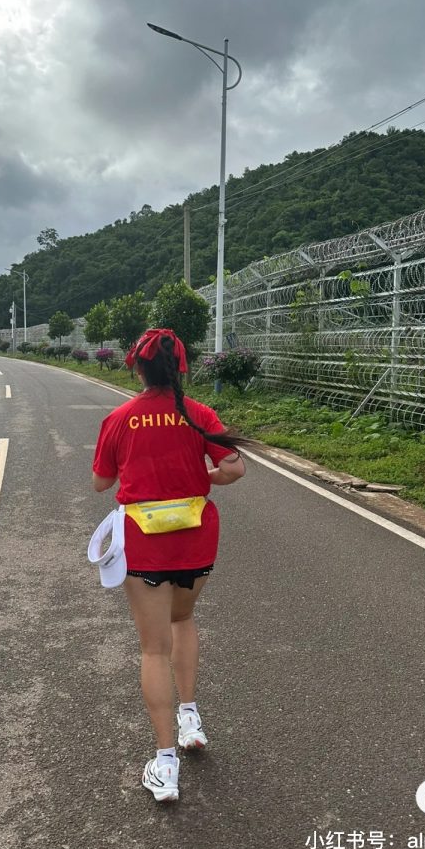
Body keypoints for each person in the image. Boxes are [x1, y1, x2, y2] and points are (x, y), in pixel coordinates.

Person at [92, 328, 249, 803]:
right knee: (183, 620)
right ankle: (190, 718)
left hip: (145, 544)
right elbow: (235, 468)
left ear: (137, 368)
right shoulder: (199, 414)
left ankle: (165, 765)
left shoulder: (121, 418)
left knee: (153, 649)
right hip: (196, 539)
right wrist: (203, 475)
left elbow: (102, 482)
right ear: (181, 367)